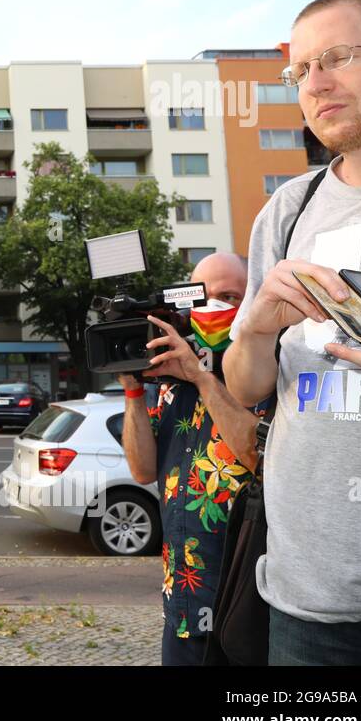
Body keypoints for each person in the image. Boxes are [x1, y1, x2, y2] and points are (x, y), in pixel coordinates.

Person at [223, 0, 361, 665]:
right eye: (300, 71)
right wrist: (254, 334)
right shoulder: (288, 208)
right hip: (305, 607)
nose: (316, 84)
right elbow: (244, 390)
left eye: (338, 58)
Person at [118, 253, 266, 665]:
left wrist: (202, 377)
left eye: (228, 296)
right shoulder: (170, 384)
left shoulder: (264, 375)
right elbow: (144, 469)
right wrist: (132, 388)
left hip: (245, 603)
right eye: (201, 298)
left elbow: (261, 459)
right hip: (182, 602)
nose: (212, 307)